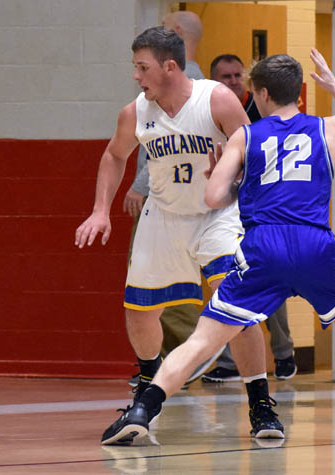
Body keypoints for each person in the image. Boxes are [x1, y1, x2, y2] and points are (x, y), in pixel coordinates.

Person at [101, 50, 335, 446]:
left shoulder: (246, 135)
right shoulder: (330, 127)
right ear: (299, 93)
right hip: (314, 244)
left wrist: (233, 182)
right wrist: (334, 87)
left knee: (204, 339)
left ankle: (144, 409)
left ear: (261, 94)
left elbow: (212, 197)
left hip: (264, 246)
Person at [76, 25, 275, 440]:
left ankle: (260, 404)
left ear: (169, 66)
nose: (136, 76)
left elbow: (254, 153)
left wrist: (235, 180)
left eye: (142, 67)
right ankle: (148, 387)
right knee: (139, 311)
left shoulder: (216, 99)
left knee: (236, 308)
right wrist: (100, 211)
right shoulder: (135, 112)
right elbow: (114, 155)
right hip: (163, 215)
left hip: (217, 215)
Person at [123, 10, 214, 390]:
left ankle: (191, 356)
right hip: (178, 199)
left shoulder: (186, 82)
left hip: (177, 200)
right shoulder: (176, 79)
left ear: (175, 33)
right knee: (158, 289)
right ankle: (168, 364)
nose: (138, 74)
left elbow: (173, 147)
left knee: (166, 286)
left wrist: (140, 184)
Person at [202, 53, 297, 383]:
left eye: (236, 75)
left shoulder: (264, 110)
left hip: (264, 209)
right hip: (227, 207)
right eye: (225, 76)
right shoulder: (210, 110)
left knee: (270, 278)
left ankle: (284, 352)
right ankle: (230, 362)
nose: (232, 81)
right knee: (232, 281)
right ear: (214, 81)